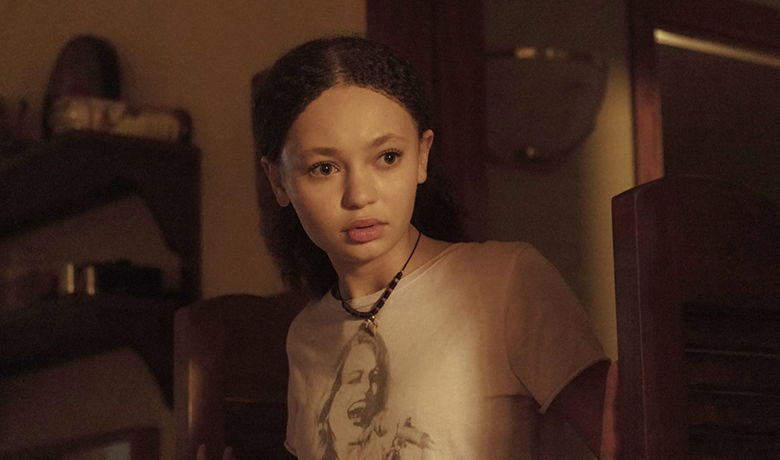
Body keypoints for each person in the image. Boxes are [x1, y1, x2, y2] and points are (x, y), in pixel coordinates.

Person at [250, 35, 617, 460]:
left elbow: (630, 445)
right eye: (325, 168)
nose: (359, 195)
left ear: (421, 156)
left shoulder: (507, 281)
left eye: (387, 157)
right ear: (278, 180)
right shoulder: (306, 337)